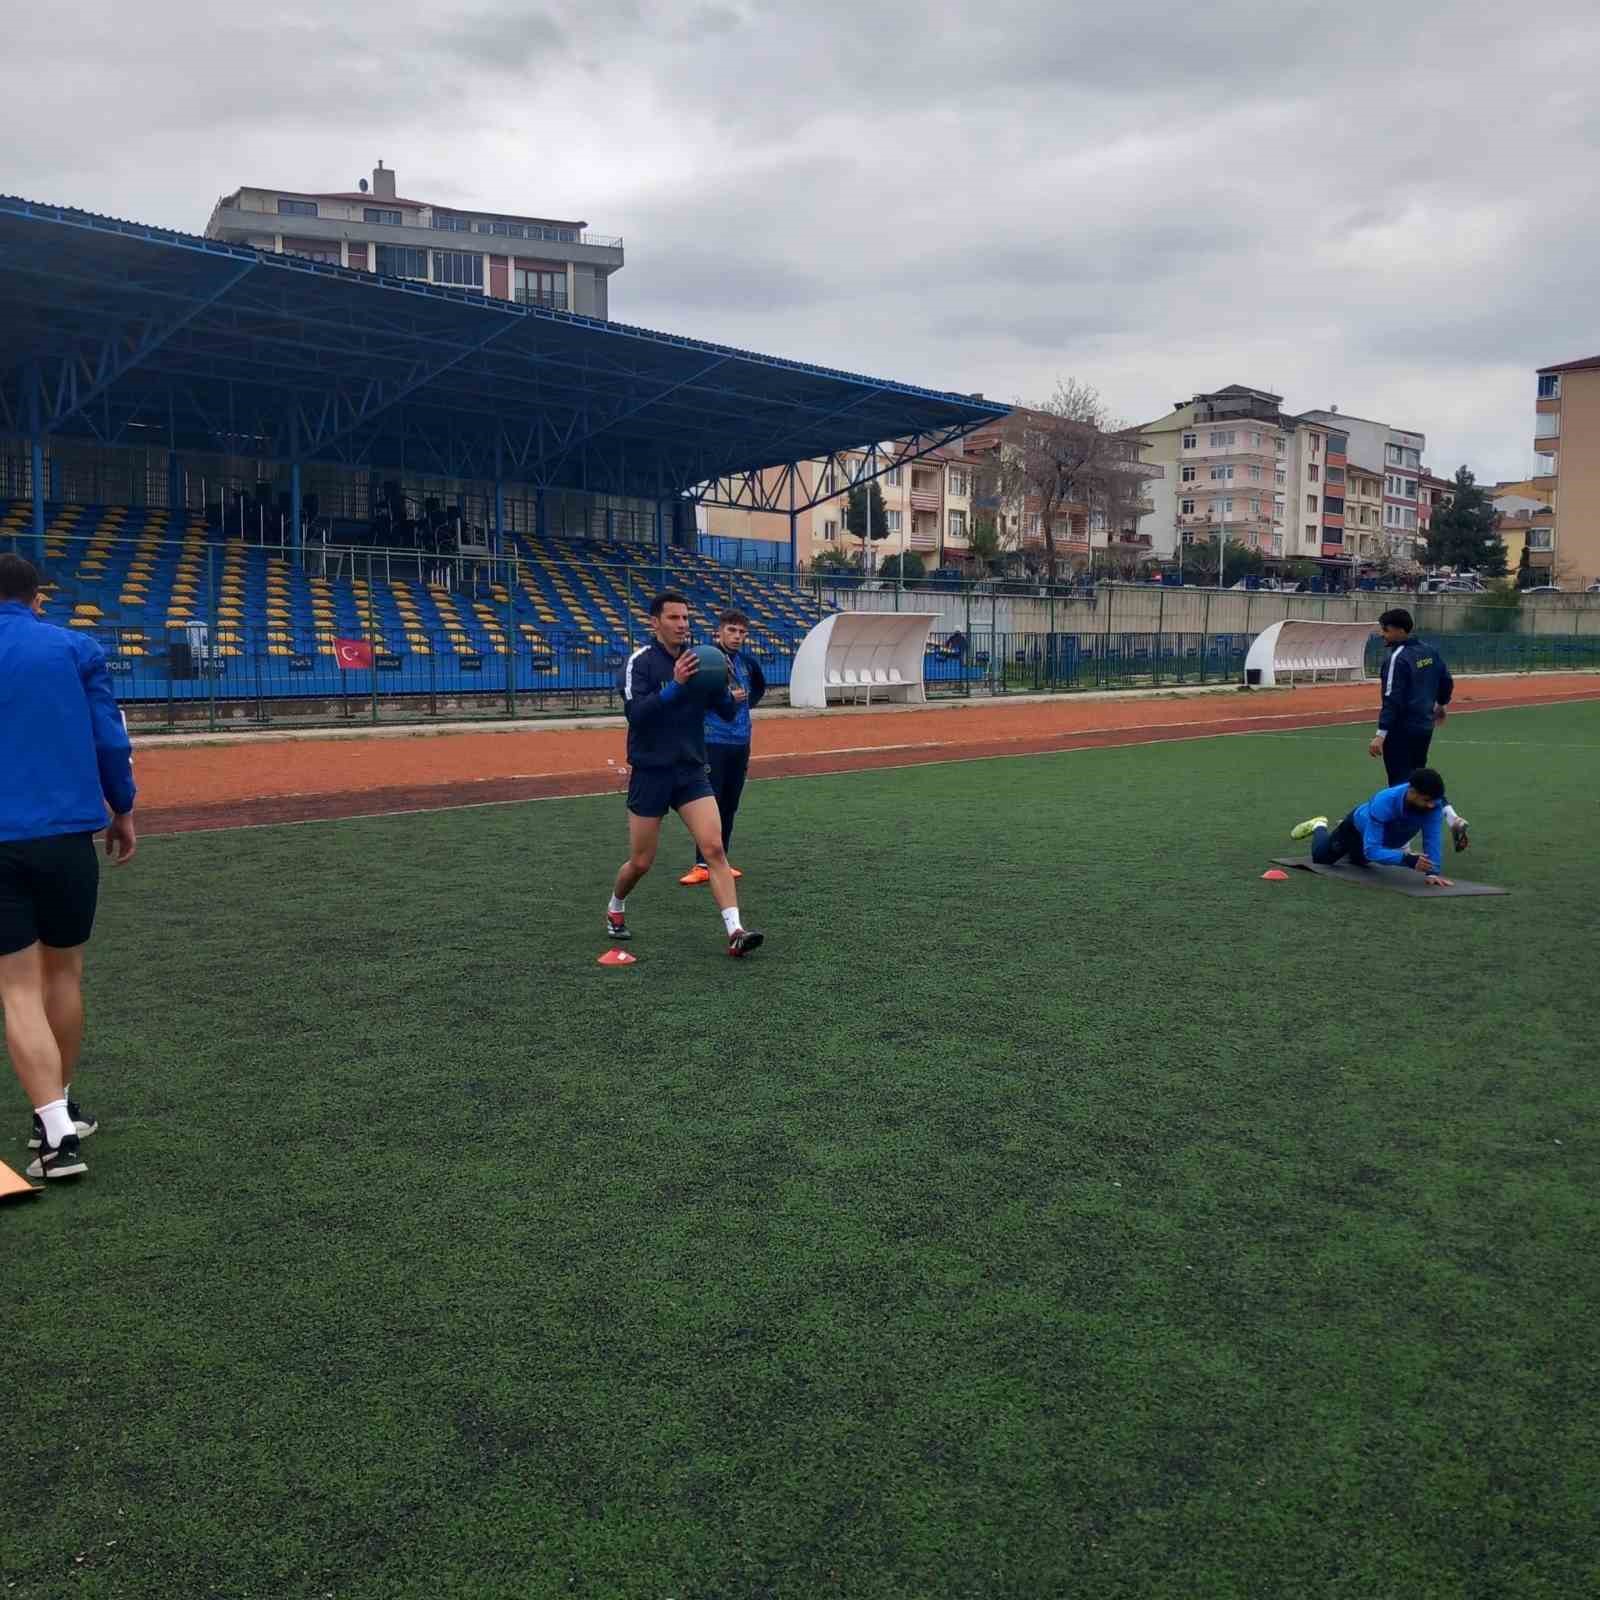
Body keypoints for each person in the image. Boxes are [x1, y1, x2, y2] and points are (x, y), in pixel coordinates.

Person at [0, 554, 137, 1182]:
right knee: (64, 976)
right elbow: (110, 738)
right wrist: (124, 808)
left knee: (16, 986)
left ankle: (53, 1123)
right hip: (65, 839)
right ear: (36, 597)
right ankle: (56, 1118)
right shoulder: (76, 650)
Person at [608, 591, 764, 957]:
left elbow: (724, 711)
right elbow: (638, 715)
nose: (682, 625)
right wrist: (676, 686)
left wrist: (725, 687)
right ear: (655, 622)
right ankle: (615, 906)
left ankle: (735, 931)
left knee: (714, 848)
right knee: (641, 862)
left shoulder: (702, 662)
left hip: (691, 770)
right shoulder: (640, 663)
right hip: (651, 772)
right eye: (674, 618)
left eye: (686, 618)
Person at [1369, 608, 1470, 851]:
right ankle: (1451, 817)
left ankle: (1404, 842)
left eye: (1385, 629)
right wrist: (1442, 705)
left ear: (1400, 630)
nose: (1382, 634)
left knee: (1401, 784)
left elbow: (1392, 698)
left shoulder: (1398, 657)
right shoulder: (1429, 651)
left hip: (1401, 729)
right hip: (1424, 727)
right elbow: (1446, 680)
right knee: (1417, 778)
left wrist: (1380, 735)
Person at [681, 610, 766, 887]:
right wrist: (725, 701)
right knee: (710, 805)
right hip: (711, 742)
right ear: (718, 632)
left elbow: (759, 689)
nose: (737, 637)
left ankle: (722, 860)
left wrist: (744, 704)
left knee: (729, 804)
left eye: (742, 632)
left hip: (740, 742)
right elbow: (690, 699)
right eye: (732, 631)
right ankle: (702, 863)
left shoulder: (748, 663)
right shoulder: (705, 660)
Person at [1289, 768, 1455, 888]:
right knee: (1321, 858)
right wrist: (1407, 860)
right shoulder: (1384, 801)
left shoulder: (1433, 806)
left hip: (1381, 838)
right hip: (1355, 829)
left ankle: (1350, 848)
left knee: (1358, 861)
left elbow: (1432, 838)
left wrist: (1432, 872)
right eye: (1426, 800)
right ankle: (1319, 825)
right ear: (1412, 792)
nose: (1431, 805)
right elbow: (1373, 851)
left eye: (1434, 801)